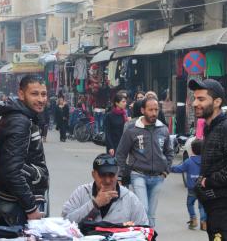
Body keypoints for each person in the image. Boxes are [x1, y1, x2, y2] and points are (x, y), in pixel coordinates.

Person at [189, 79, 227, 241]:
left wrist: (207, 182)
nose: (195, 103)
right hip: (214, 204)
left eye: (201, 99)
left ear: (217, 102)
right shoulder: (211, 127)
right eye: (195, 98)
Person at [0, 75, 49, 226]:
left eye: (43, 94)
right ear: (21, 94)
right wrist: (30, 207)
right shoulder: (19, 121)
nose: (41, 99)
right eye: (34, 94)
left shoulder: (25, 118)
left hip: (22, 202)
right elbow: (12, 170)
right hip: (19, 205)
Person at [116, 97, 174, 227]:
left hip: (158, 177)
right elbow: (121, 154)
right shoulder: (132, 129)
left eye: (156, 110)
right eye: (150, 110)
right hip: (138, 175)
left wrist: (166, 170)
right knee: (143, 210)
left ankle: (149, 236)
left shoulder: (163, 129)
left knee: (151, 214)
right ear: (143, 110)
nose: (154, 113)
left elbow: (169, 152)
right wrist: (119, 175)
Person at [62, 153, 148, 225]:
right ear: (93, 174)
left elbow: (144, 229)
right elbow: (65, 223)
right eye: (102, 175)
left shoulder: (130, 199)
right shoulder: (81, 192)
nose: (107, 180)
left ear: (117, 174)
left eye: (111, 175)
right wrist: (95, 204)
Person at [170, 139, 207, 231]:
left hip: (192, 188)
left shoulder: (188, 162)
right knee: (202, 205)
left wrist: (169, 168)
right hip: (203, 187)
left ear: (191, 149)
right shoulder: (206, 161)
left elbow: (179, 169)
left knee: (190, 204)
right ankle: (204, 223)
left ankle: (193, 219)